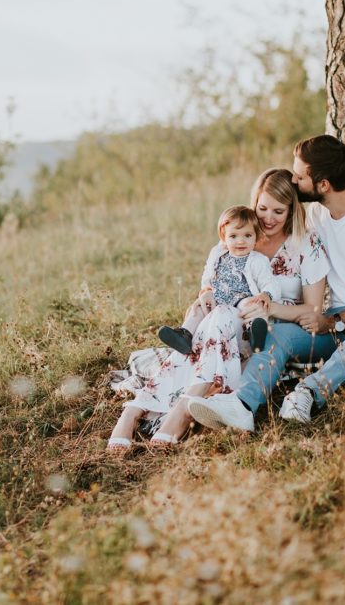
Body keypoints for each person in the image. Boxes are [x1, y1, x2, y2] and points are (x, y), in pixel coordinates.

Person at [186, 134, 345, 431]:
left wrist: (332, 320)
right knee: (281, 334)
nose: (294, 182)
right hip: (341, 327)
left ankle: (308, 391)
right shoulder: (319, 213)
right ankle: (242, 405)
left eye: (299, 176)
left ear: (322, 185)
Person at [106, 168, 329, 452]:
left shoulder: (306, 244)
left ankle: (152, 410)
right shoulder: (239, 234)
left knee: (209, 335)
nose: (268, 218)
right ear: (254, 203)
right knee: (212, 325)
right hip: (223, 324)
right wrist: (204, 296)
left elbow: (312, 309)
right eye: (262, 208)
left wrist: (268, 307)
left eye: (278, 211)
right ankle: (152, 410)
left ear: (292, 210)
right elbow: (213, 281)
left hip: (266, 330)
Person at [157, 205, 279, 356]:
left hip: (241, 299)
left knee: (251, 306)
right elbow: (207, 276)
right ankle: (184, 335)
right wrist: (206, 290)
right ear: (224, 237)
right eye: (233, 236)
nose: (240, 241)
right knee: (198, 310)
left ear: (256, 237)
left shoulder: (258, 260)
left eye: (247, 235)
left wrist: (266, 294)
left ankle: (254, 334)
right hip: (217, 298)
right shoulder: (218, 254)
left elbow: (270, 282)